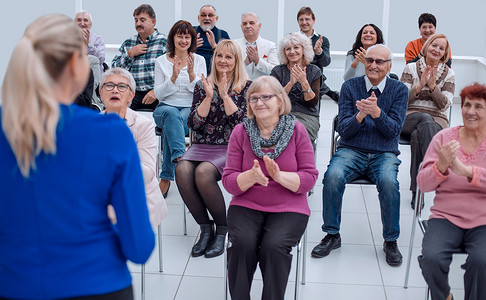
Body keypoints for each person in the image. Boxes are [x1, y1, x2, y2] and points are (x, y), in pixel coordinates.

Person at [0, 14, 154, 299]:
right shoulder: (111, 134)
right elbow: (139, 247)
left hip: (14, 285)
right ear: (75, 65)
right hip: (98, 284)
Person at [311, 45, 408, 266]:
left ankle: (390, 240)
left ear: (389, 66)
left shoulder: (399, 90)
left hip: (384, 153)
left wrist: (377, 113)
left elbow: (393, 131)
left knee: (389, 183)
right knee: (333, 176)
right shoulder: (349, 86)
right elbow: (343, 130)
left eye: (380, 61)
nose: (373, 65)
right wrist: (361, 115)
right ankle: (332, 234)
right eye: (370, 60)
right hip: (351, 149)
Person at [223, 76, 318, 300]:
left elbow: (310, 177)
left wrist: (279, 176)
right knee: (242, 244)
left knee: (273, 247)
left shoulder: (297, 130)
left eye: (266, 96)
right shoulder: (240, 131)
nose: (260, 102)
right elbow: (229, 181)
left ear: (280, 101)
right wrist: (251, 176)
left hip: (289, 205)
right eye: (254, 98)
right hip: (247, 202)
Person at [175, 40, 250, 259]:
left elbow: (243, 126)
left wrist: (225, 95)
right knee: (182, 170)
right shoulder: (202, 85)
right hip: (202, 144)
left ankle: (223, 229)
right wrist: (209, 96)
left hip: (232, 146)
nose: (223, 61)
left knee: (203, 172)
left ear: (236, 61)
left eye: (229, 57)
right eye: (219, 56)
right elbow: (194, 123)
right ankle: (206, 228)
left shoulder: (247, 86)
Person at [417, 83, 486, 300]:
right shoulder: (444, 138)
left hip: (483, 220)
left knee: (482, 261)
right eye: (467, 105)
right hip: (446, 216)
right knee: (431, 258)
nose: (471, 111)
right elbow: (423, 185)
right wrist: (440, 167)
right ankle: (444, 297)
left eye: (478, 106)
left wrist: (466, 171)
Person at [100, 67, 168, 228]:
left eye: (122, 86)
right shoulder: (90, 126)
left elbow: (148, 173)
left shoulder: (143, 125)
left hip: (136, 193)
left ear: (131, 95)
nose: (115, 90)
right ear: (101, 94)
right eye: (109, 85)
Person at [400, 33, 455, 209]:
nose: (437, 50)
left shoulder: (449, 74)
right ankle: (433, 174)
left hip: (437, 120)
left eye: (441, 48)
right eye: (434, 45)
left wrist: (432, 87)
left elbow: (444, 105)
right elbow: (400, 101)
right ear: (427, 46)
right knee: (424, 118)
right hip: (409, 117)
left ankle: (418, 191)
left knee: (420, 134)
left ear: (445, 53)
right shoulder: (410, 68)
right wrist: (419, 85)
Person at [153, 20, 207, 198]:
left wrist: (191, 74)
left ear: (191, 40)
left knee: (173, 122)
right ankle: (181, 157)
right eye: (179, 36)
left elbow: (201, 92)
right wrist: (174, 77)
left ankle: (166, 176)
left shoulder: (199, 60)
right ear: (173, 38)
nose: (183, 40)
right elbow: (159, 95)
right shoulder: (161, 61)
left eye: (187, 37)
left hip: (189, 109)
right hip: (164, 108)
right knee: (170, 113)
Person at [112, 4, 168, 111]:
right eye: (136, 20)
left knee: (166, 114)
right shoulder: (129, 43)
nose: (138, 23)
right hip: (133, 93)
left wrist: (157, 92)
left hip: (157, 93)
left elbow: (172, 73)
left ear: (153, 22)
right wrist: (129, 54)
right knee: (114, 111)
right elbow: (114, 68)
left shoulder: (164, 42)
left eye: (142, 20)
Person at [271, 32, 321, 147]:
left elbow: (313, 103)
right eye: (288, 49)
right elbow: (274, 102)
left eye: (296, 47)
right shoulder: (277, 72)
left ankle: (300, 164)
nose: (292, 51)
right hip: (281, 115)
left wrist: (304, 82)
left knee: (296, 131)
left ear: (304, 49)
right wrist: (290, 83)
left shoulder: (314, 71)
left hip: (307, 117)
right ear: (284, 52)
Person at [297, 6, 339, 102]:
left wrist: (319, 52)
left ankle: (326, 90)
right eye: (301, 20)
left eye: (307, 19)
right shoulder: (292, 38)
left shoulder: (323, 40)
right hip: (296, 75)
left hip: (315, 79)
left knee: (314, 111)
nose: (304, 22)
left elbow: (325, 63)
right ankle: (328, 92)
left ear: (313, 20)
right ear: (298, 22)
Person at [233, 12, 278, 80]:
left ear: (259, 26)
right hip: (238, 87)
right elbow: (229, 70)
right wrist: (245, 63)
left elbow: (275, 71)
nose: (248, 26)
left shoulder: (270, 46)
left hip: (262, 88)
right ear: (241, 27)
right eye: (245, 24)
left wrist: (257, 61)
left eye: (252, 23)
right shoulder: (234, 44)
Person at [194, 5, 230, 74]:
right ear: (198, 18)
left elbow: (230, 56)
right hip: (194, 73)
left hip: (216, 75)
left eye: (210, 15)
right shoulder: (191, 32)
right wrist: (191, 47)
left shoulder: (223, 34)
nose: (207, 18)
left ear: (216, 18)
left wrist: (215, 47)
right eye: (203, 15)